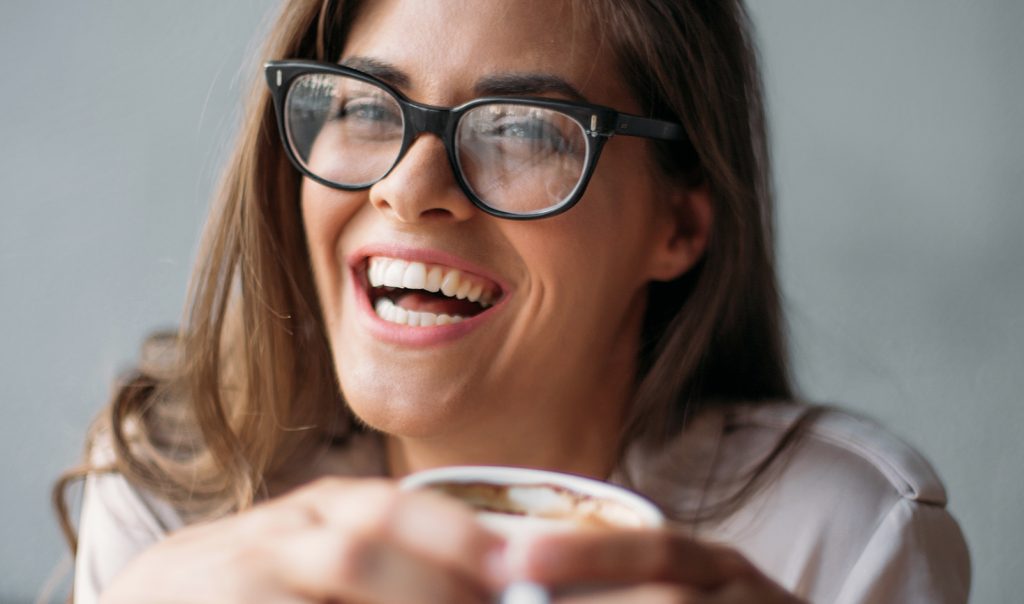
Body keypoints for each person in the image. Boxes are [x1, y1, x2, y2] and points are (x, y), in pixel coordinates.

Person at [54, 0, 970, 602]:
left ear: (679, 225)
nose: (411, 188)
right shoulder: (171, 492)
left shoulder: (836, 537)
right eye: (368, 105)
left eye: (525, 130)